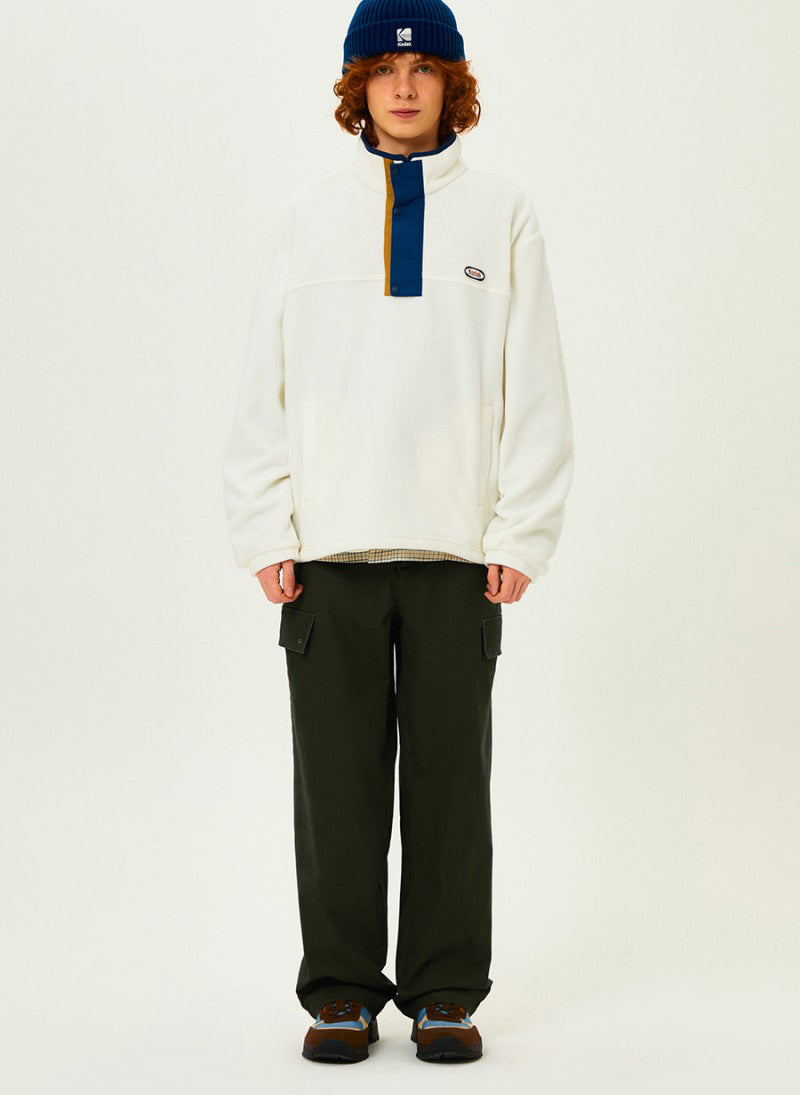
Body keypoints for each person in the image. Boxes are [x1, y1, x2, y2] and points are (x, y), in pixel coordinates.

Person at [222, 0, 575, 1064]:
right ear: (358, 88)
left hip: (458, 556)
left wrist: (522, 529)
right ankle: (339, 990)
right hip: (328, 554)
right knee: (334, 785)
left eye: (423, 71)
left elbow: (536, 380)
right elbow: (263, 382)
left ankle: (444, 992)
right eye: (383, 70)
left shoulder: (502, 213)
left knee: (449, 785)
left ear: (452, 85)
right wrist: (264, 523)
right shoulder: (307, 214)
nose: (405, 87)